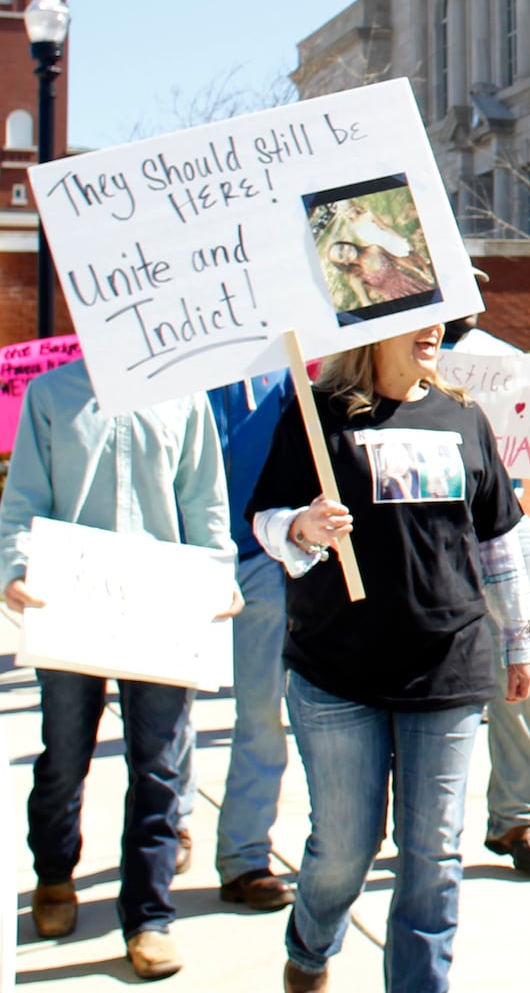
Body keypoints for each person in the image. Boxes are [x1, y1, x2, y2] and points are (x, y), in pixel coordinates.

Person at [247, 325, 530, 993]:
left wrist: (517, 643)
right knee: (344, 851)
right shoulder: (316, 414)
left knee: (433, 858)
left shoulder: (463, 416)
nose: (435, 329)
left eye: (440, 315)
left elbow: (497, 541)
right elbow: (263, 519)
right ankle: (311, 948)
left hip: (450, 665)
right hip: (336, 670)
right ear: (373, 331)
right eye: (417, 318)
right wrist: (301, 526)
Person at [1, 359, 240, 980]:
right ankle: (54, 876)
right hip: (69, 598)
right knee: (64, 756)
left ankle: (149, 917)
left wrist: (220, 576)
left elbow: (205, 500)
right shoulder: (52, 394)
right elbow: (24, 496)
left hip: (161, 605)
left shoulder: (185, 397)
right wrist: (13, 568)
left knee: (160, 763)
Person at [438, 310, 530, 878]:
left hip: (499, 536)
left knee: (517, 679)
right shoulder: (395, 358)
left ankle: (519, 818)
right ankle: (409, 827)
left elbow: (520, 450)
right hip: (424, 539)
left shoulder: (500, 357)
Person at [206, 371, 300, 914]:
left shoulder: (278, 373)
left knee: (261, 713)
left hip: (260, 561)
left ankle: (244, 857)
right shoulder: (167, 365)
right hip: (179, 558)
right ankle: (168, 833)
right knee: (163, 725)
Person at [326, 239, 436, 307]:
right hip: (396, 299)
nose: (346, 251)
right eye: (341, 255)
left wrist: (418, 272)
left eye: (342, 247)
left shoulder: (374, 249)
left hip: (410, 282)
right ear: (344, 263)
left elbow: (396, 260)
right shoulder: (355, 277)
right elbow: (365, 302)